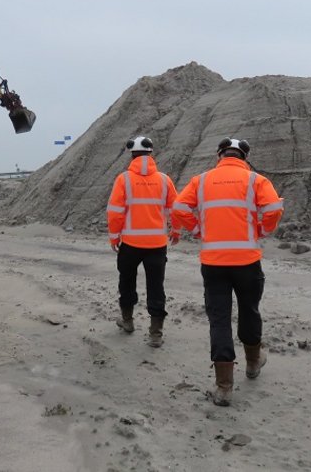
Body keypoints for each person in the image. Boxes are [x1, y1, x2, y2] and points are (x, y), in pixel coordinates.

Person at [171, 137, 283, 406]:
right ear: (243, 157)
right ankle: (253, 363)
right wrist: (262, 231)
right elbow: (273, 208)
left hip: (213, 262)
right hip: (247, 260)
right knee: (249, 310)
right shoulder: (257, 180)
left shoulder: (201, 181)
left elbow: (178, 207)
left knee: (219, 319)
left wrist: (198, 230)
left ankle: (224, 387)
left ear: (219, 155)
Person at [106, 136, 179, 348]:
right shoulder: (165, 180)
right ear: (151, 154)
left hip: (130, 244)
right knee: (156, 287)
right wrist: (176, 231)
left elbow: (115, 212)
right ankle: (156, 333)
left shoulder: (124, 179)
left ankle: (127, 322)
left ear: (132, 155)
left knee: (127, 283)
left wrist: (114, 236)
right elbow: (175, 208)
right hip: (157, 244)